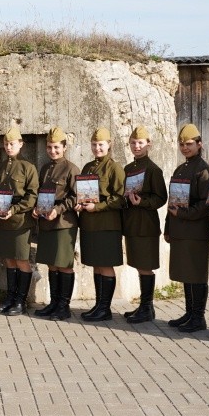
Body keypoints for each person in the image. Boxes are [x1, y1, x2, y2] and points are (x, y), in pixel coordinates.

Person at [164, 124, 209, 333]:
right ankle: (189, 313)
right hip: (180, 230)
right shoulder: (181, 169)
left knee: (197, 274)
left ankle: (198, 317)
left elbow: (206, 204)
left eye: (189, 144)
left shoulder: (204, 171)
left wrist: (183, 214)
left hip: (195, 231)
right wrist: (168, 227)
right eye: (182, 144)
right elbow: (172, 202)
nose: (185, 148)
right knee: (186, 272)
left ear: (199, 144)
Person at [76, 127, 126, 322]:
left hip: (106, 224)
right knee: (96, 265)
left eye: (101, 145)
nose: (97, 148)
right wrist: (80, 204)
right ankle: (98, 305)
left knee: (105, 265)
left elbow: (120, 198)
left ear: (109, 145)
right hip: (90, 224)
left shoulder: (114, 168)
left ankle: (105, 308)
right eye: (94, 144)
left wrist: (96, 207)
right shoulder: (88, 167)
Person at [0, 127, 38, 317]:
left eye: (12, 144)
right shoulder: (1, 167)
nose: (9, 147)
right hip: (4, 220)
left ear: (20, 144)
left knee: (21, 260)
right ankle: (10, 298)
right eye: (6, 144)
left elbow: (32, 196)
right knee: (9, 260)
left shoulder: (27, 167)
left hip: (20, 221)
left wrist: (14, 210)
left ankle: (20, 301)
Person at [32, 126, 80, 321]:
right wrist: (36, 208)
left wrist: (58, 210)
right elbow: (41, 193)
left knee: (64, 265)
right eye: (50, 147)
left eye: (56, 147)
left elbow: (76, 197)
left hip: (64, 223)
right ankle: (54, 303)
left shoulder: (71, 169)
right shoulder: (45, 168)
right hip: (46, 222)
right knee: (52, 264)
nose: (53, 151)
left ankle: (64, 306)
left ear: (64, 147)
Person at [121, 126, 167, 324]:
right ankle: (143, 306)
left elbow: (161, 198)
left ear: (149, 144)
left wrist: (143, 202)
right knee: (138, 265)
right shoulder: (128, 169)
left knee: (145, 265)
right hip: (132, 223)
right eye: (133, 143)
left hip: (146, 224)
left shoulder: (153, 169)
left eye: (140, 143)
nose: (136, 146)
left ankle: (147, 308)